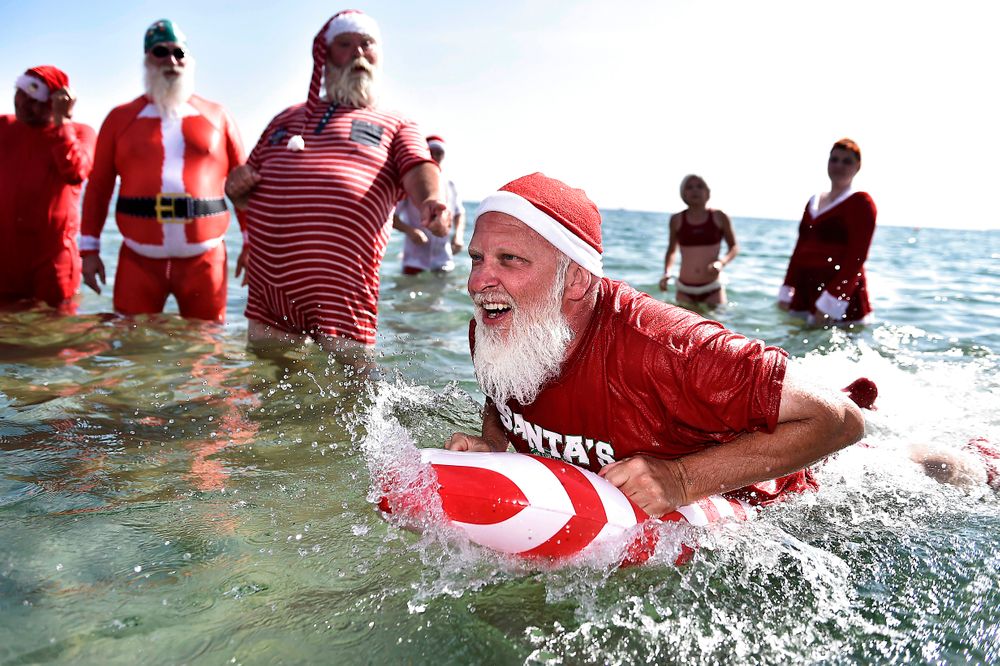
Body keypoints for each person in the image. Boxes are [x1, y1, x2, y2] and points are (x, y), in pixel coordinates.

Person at [444, 173, 865, 517]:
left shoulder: (668, 347)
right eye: (477, 258)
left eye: (510, 259)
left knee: (917, 464)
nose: (477, 283)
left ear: (575, 279)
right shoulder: (495, 327)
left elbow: (839, 419)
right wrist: (495, 446)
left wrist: (681, 479)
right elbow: (500, 398)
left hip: (793, 493)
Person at [224, 10, 449, 354]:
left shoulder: (396, 123)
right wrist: (235, 187)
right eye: (345, 44)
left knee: (351, 395)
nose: (358, 53)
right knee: (268, 391)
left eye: (366, 44)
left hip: (342, 291)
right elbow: (245, 185)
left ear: (378, 55)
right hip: (270, 290)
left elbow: (419, 166)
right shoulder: (285, 118)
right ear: (325, 57)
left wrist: (431, 199)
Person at [80, 19, 247, 323]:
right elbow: (99, 186)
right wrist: (88, 250)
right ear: (147, 59)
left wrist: (252, 242)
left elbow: (244, 186)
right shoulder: (120, 118)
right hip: (138, 260)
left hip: (206, 259)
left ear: (188, 59)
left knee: (207, 352)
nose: (171, 60)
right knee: (133, 349)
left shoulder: (217, 115)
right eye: (160, 52)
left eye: (178, 52)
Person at [0, 66, 96, 312]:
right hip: (5, 259)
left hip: (53, 262)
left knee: (55, 339)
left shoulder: (79, 133)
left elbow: (76, 172)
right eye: (18, 96)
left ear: (54, 102)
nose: (22, 105)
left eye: (31, 101)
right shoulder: (4, 126)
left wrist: (62, 122)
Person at [778, 139, 877, 325]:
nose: (838, 165)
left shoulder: (861, 202)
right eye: (834, 159)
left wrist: (831, 301)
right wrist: (788, 285)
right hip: (805, 290)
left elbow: (857, 257)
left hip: (840, 295)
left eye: (846, 161)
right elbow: (800, 247)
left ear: (858, 166)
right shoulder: (814, 201)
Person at [658, 174, 738, 306]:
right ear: (683, 193)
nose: (695, 190)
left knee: (717, 324)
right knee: (683, 326)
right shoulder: (676, 219)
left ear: (708, 192)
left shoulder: (719, 216)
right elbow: (672, 250)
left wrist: (721, 263)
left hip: (712, 288)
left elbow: (734, 247)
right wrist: (666, 272)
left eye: (700, 186)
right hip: (684, 289)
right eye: (689, 187)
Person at [393, 135, 465, 275]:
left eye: (440, 153)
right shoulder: (410, 184)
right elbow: (391, 217)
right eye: (432, 152)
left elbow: (459, 212)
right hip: (414, 259)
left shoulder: (449, 185)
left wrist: (458, 235)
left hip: (443, 258)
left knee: (441, 295)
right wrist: (411, 231)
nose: (436, 156)